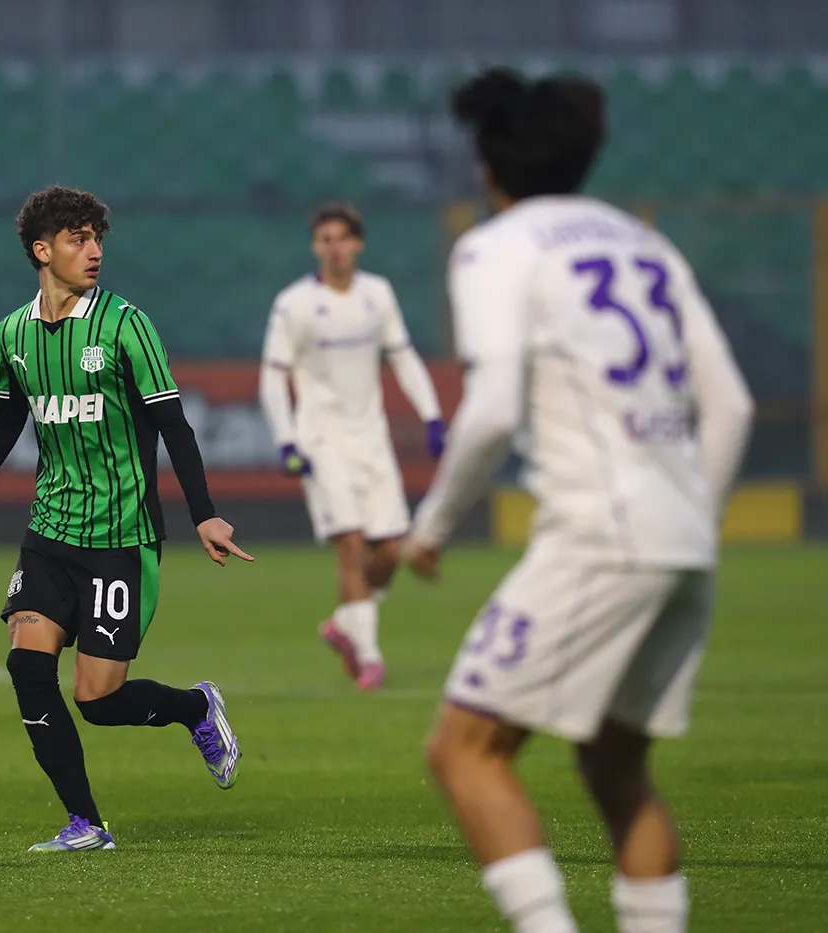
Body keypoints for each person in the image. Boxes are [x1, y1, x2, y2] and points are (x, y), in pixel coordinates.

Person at [403, 68, 754, 933]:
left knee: (465, 751)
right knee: (613, 766)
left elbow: (488, 413)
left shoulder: (496, 247)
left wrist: (431, 528)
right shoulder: (646, 245)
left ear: (487, 166)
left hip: (603, 535)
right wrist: (689, 522)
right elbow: (734, 405)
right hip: (684, 542)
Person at [0, 186, 252, 852]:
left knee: (97, 699)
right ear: (43, 250)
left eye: (97, 238)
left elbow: (172, 423)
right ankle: (86, 824)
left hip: (121, 537)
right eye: (77, 238)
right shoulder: (13, 334)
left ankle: (195, 707)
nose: (93, 251)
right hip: (50, 533)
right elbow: (5, 419)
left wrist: (205, 515)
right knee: (27, 667)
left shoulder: (126, 325)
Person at [259, 203, 445, 690]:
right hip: (321, 441)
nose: (335, 247)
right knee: (352, 543)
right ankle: (368, 657)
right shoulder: (294, 303)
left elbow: (402, 357)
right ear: (315, 246)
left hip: (372, 440)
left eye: (343, 237)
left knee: (389, 552)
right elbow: (273, 378)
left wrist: (431, 415)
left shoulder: (377, 295)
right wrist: (286, 439)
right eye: (325, 238)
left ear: (358, 243)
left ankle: (346, 623)